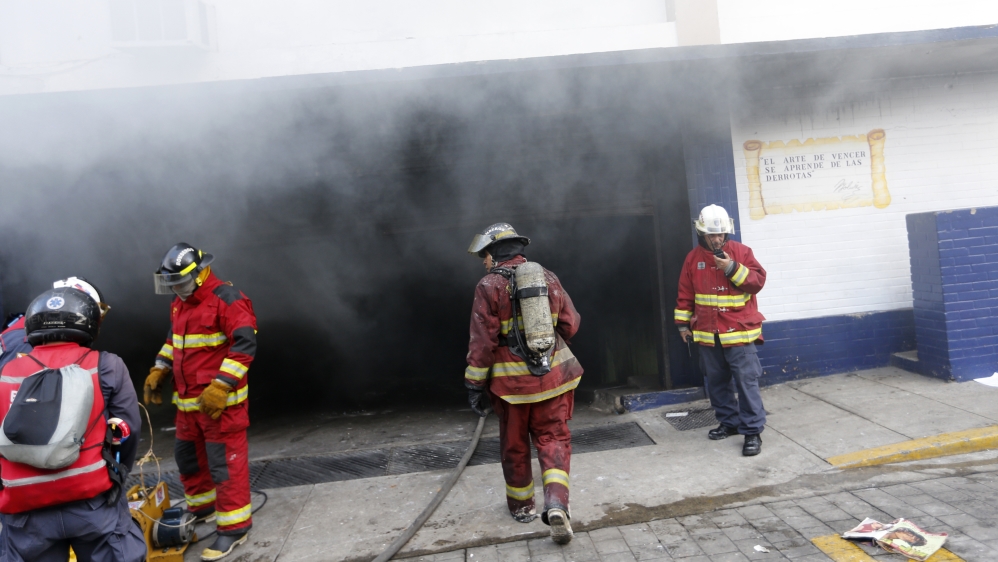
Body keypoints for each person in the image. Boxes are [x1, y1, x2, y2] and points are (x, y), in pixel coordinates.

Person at [0, 283, 145, 562]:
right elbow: (128, 430)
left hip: (25, 511)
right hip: (92, 503)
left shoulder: (7, 371)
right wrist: (117, 475)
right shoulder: (106, 365)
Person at [464, 223, 583, 545]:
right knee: (554, 439)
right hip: (554, 379)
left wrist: (474, 384)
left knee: (515, 446)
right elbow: (570, 323)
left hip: (511, 387)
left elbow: (482, 342)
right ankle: (557, 503)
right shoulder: (548, 277)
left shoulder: (488, 285)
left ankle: (522, 507)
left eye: (483, 256)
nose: (483, 262)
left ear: (492, 254)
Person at [144, 243, 257, 561]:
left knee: (224, 467)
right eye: (170, 283)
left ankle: (234, 528)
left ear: (199, 273)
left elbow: (245, 345)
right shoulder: (180, 302)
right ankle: (204, 509)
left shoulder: (227, 300)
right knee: (189, 459)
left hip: (221, 407)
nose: (174, 289)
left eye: (178, 282)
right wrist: (159, 369)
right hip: (189, 406)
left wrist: (221, 386)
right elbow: (175, 341)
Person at [675, 204, 768, 456]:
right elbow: (685, 294)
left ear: (727, 233)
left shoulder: (741, 252)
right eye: (711, 235)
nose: (716, 240)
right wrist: (683, 324)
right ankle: (729, 423)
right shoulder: (693, 259)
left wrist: (731, 268)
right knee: (716, 382)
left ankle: (752, 432)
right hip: (707, 334)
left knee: (746, 383)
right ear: (701, 234)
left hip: (739, 333)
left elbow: (757, 282)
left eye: (720, 235)